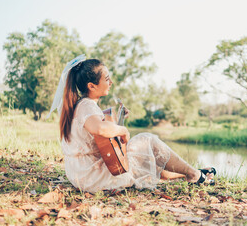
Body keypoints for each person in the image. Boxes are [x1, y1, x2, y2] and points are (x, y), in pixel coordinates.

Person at [47, 55, 216, 193]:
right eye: (106, 78)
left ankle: (191, 173)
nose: (110, 82)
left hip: (84, 173)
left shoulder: (83, 105)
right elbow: (99, 128)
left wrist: (119, 119)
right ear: (91, 85)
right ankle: (194, 174)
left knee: (145, 156)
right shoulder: (86, 106)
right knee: (146, 140)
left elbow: (105, 141)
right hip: (93, 177)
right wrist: (123, 129)